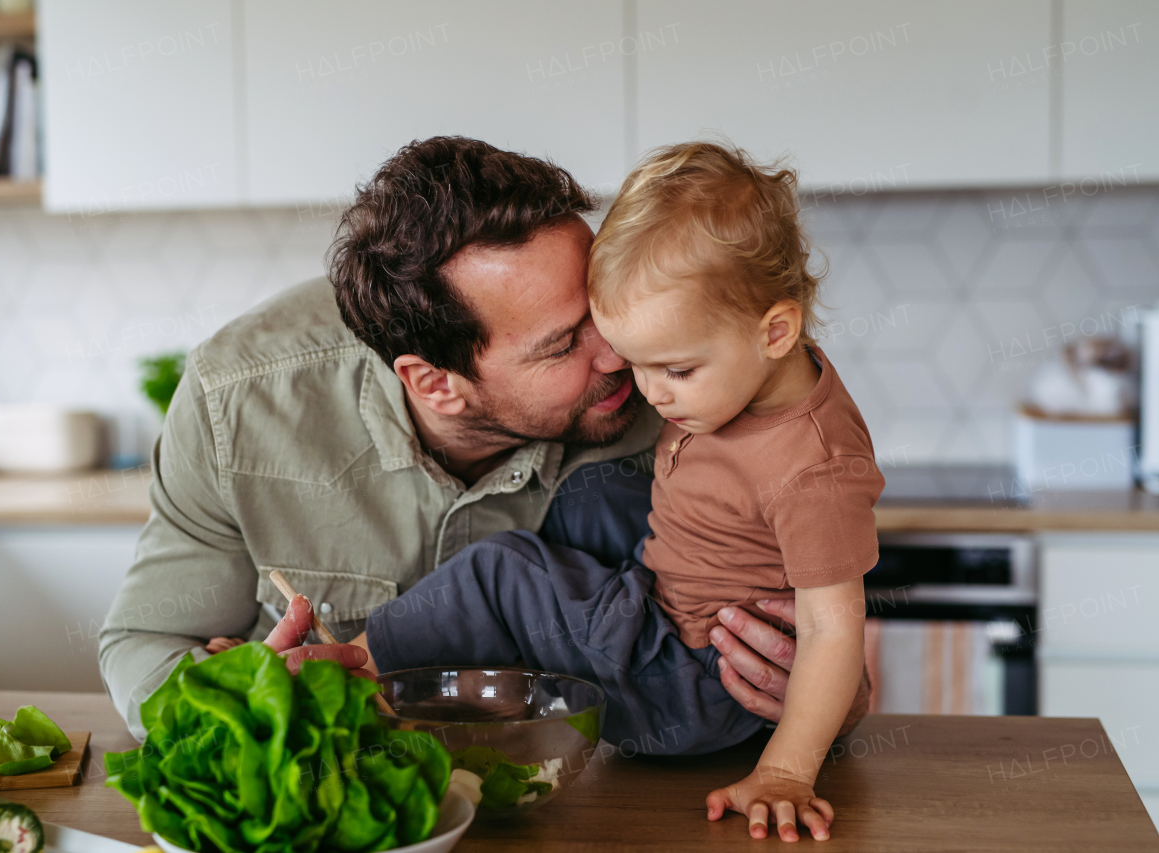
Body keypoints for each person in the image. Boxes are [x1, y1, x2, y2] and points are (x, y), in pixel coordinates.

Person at [99, 135, 868, 741]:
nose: (621, 360)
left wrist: (829, 693)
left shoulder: (683, 388)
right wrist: (228, 707)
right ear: (436, 382)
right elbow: (144, 639)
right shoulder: (237, 402)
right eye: (566, 344)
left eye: (602, 309)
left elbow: (813, 594)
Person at [343, 143, 884, 842]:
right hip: (672, 598)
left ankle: (352, 665)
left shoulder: (815, 470)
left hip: (693, 684)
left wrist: (787, 768)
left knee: (504, 571)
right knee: (596, 492)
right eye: (572, 343)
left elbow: (832, 629)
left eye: (675, 369)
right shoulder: (741, 354)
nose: (648, 391)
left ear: (776, 330)